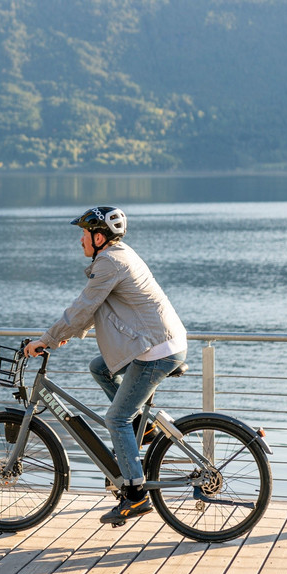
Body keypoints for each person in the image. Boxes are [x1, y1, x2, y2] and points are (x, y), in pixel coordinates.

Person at [24, 206, 188, 525]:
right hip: (156, 342)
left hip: (156, 349)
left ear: (99, 237)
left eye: (85, 234)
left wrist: (47, 338)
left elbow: (85, 304)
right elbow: (100, 308)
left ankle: (136, 495)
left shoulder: (110, 261)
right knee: (100, 368)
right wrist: (68, 333)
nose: (81, 240)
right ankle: (148, 428)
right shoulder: (118, 255)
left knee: (116, 419)